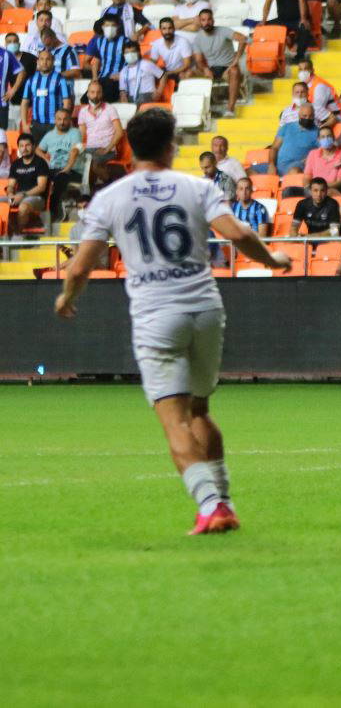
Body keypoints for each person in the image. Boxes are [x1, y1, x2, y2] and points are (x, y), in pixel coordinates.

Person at [55, 107, 291, 535]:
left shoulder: (111, 197)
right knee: (200, 410)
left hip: (156, 315)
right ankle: (225, 501)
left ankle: (209, 505)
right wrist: (272, 260)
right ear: (171, 146)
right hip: (204, 309)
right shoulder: (196, 187)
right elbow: (237, 234)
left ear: (129, 148)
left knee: (175, 420)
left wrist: (67, 297)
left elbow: (80, 267)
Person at [192, 9, 245, 118]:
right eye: (203, 20)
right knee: (189, 73)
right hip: (211, 68)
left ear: (213, 20)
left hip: (228, 67)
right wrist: (205, 69)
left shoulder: (223, 31)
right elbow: (198, 60)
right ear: (200, 21)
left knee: (234, 71)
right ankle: (201, 111)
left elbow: (243, 39)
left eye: (209, 19)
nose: (206, 22)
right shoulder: (198, 38)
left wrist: (235, 62)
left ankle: (230, 109)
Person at [37, 107, 84, 220]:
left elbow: (74, 151)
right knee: (41, 180)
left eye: (65, 119)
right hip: (54, 169)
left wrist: (66, 169)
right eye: (59, 119)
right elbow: (37, 149)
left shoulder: (75, 132)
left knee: (59, 178)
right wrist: (46, 159)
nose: (62, 122)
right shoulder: (49, 135)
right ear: (55, 120)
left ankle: (56, 214)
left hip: (73, 170)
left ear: (70, 120)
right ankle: (41, 214)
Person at [21, 50, 71, 143]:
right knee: (36, 153)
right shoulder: (31, 80)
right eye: (42, 59)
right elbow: (24, 103)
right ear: (38, 61)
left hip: (54, 125)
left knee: (53, 153)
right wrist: (24, 124)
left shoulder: (60, 79)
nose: (44, 62)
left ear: (53, 61)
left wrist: (61, 122)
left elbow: (67, 103)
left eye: (48, 59)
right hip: (36, 125)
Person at [8, 132, 50, 232]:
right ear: (18, 148)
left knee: (23, 207)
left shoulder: (40, 163)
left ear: (34, 146)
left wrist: (23, 195)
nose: (24, 148)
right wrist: (10, 194)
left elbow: (41, 187)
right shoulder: (16, 164)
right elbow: (11, 185)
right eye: (21, 146)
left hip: (37, 198)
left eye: (27, 145)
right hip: (17, 197)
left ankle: (17, 237)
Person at [269, 103, 319, 174]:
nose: (307, 118)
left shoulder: (317, 132)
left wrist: (309, 159)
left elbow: (322, 151)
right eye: (304, 116)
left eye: (310, 116)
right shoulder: (286, 127)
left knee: (294, 171)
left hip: (297, 165)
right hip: (278, 164)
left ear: (314, 116)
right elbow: (274, 148)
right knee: (250, 170)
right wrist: (271, 165)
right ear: (299, 115)